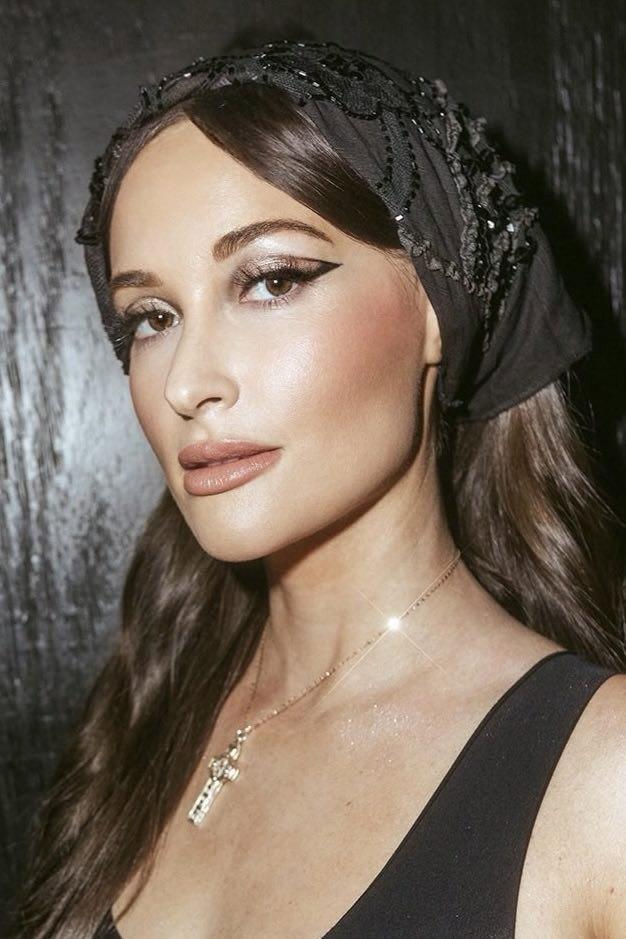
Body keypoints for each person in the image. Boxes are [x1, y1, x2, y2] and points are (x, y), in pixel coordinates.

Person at [9, 39, 626, 939]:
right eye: (151, 316)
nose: (186, 383)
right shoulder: (150, 711)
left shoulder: (602, 777)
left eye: (270, 280)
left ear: (438, 307)